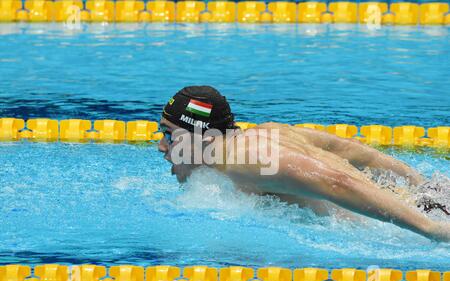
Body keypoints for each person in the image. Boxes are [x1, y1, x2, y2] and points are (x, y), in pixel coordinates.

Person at [158, 85, 450, 241]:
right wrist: (424, 186)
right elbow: (355, 151)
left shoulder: (244, 159)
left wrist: (430, 229)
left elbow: (336, 181)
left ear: (203, 139)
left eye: (169, 135)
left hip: (406, 226)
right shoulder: (267, 132)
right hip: (423, 201)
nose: (161, 146)